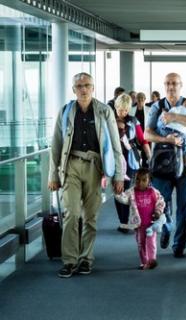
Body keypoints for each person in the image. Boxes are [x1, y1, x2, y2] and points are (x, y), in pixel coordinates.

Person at [48, 72, 124, 278]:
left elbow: (116, 146)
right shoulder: (65, 111)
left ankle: (86, 259)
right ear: (73, 89)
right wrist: (52, 175)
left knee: (90, 217)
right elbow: (55, 145)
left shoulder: (104, 111)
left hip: (94, 166)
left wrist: (119, 175)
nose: (83, 89)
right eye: (79, 86)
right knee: (71, 213)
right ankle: (69, 260)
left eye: (87, 85)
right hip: (70, 165)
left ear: (93, 88)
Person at [145, 73, 186, 258]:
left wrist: (175, 117)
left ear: (181, 85)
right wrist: (166, 139)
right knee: (161, 203)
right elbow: (147, 135)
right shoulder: (156, 107)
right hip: (162, 163)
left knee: (185, 207)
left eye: (174, 83)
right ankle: (167, 227)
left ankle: (179, 245)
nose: (171, 86)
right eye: (167, 83)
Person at [114, 168, 166, 270]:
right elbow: (123, 198)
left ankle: (151, 260)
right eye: (137, 179)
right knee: (141, 243)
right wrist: (117, 192)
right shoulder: (131, 192)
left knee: (151, 242)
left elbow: (161, 202)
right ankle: (144, 262)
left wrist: (158, 212)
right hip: (138, 225)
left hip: (151, 223)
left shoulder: (153, 192)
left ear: (149, 181)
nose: (140, 183)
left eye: (143, 180)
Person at [114, 93, 151, 233]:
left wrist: (149, 155)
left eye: (125, 109)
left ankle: (127, 220)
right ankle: (123, 221)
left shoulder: (133, 121)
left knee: (127, 189)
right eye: (120, 109)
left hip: (130, 158)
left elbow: (143, 139)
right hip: (114, 158)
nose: (122, 112)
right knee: (117, 190)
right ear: (116, 106)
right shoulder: (109, 120)